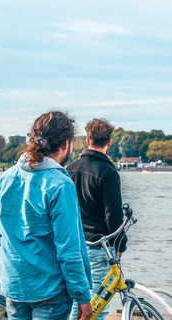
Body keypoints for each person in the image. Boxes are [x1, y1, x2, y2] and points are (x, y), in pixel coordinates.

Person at [0, 111, 93, 320]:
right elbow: (69, 250)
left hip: (14, 286)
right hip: (49, 292)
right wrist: (83, 297)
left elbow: (1, 232)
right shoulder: (59, 184)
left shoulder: (6, 178)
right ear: (66, 143)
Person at [67, 118, 128, 320]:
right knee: (96, 309)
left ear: (87, 141)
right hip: (98, 247)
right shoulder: (108, 172)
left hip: (74, 247)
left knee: (78, 305)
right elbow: (114, 215)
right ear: (109, 143)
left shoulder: (70, 170)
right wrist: (121, 245)